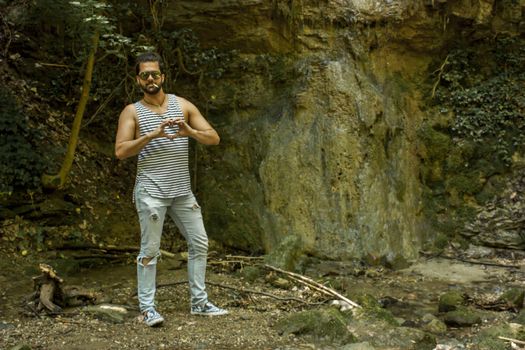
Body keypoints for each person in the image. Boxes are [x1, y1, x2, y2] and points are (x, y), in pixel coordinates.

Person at [115, 52, 227, 327]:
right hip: (151, 191)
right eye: (145, 75)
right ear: (138, 80)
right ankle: (147, 309)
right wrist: (151, 134)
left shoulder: (182, 105)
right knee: (150, 249)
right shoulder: (132, 111)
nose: (150, 79)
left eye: (154, 74)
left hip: (182, 191)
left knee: (200, 243)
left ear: (162, 77)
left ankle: (199, 303)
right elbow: (120, 151)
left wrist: (189, 132)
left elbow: (213, 138)